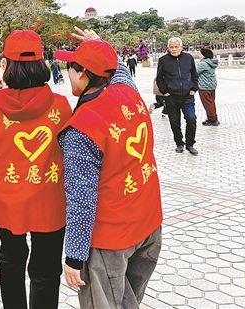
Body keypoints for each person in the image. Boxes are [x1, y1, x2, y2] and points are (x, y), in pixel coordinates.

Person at [54, 29, 162, 309]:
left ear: (84, 74)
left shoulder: (82, 128)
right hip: (148, 223)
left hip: (110, 238)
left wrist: (74, 257)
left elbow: (81, 197)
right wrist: (102, 45)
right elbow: (121, 72)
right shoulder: (129, 94)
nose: (68, 74)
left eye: (71, 67)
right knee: (128, 301)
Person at [0, 30, 72, 309]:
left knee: (12, 260)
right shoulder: (61, 106)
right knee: (47, 269)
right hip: (49, 200)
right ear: (41, 64)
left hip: (6, 199)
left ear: (6, 66)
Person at [156, 37, 199, 155]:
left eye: (176, 47)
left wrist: (193, 89)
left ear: (181, 47)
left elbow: (194, 75)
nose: (174, 49)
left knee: (191, 118)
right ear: (168, 48)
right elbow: (159, 78)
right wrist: (165, 92)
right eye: (171, 47)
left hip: (187, 96)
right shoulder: (163, 60)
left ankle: (190, 144)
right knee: (174, 122)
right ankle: (179, 143)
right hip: (171, 97)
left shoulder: (188, 58)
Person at [197, 48, 220, 126]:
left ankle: (212, 120)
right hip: (212, 86)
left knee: (207, 103)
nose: (198, 55)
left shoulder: (203, 64)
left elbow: (194, 73)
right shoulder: (211, 62)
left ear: (204, 55)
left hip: (204, 86)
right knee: (211, 102)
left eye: (200, 54)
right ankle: (213, 118)